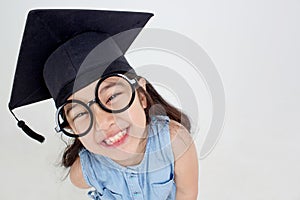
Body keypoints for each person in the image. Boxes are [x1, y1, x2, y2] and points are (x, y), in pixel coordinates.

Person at [9, 9, 198, 200]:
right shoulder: (84, 173)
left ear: (141, 95)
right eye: (80, 114)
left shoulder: (175, 142)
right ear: (71, 127)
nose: (102, 122)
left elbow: (186, 192)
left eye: (112, 97)